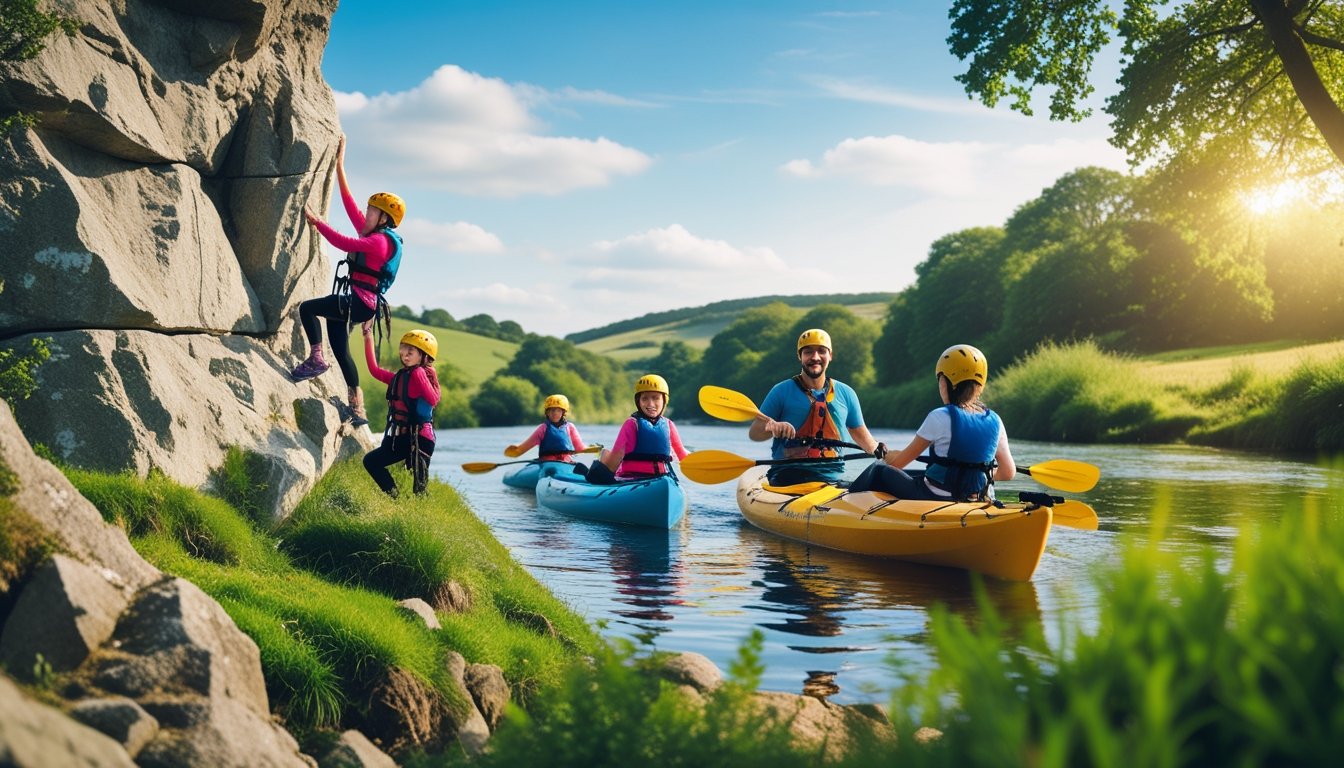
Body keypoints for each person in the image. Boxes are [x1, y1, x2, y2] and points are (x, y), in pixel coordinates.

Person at [292, 135, 406, 428]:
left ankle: (316, 359)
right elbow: (349, 203)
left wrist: (317, 223)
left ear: (383, 219)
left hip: (358, 303)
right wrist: (340, 164)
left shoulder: (379, 243)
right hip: (359, 304)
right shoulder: (373, 233)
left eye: (372, 211)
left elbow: (342, 240)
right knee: (341, 350)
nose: (366, 213)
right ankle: (358, 407)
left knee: (307, 308)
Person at [850, 344, 1015, 501]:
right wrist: (976, 473)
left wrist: (887, 456)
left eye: (940, 379)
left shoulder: (940, 416)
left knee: (879, 471)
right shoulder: (996, 421)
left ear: (947, 382)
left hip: (933, 496)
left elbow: (898, 464)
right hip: (979, 498)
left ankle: (846, 500)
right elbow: (1008, 472)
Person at [748, 328, 880, 485]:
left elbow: (860, 434)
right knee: (791, 477)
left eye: (821, 351)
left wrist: (880, 450)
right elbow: (754, 433)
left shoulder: (846, 393)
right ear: (800, 356)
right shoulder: (781, 391)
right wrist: (773, 427)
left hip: (833, 479)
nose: (815, 357)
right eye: (808, 352)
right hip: (788, 477)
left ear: (830, 356)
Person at [361, 325, 439, 497]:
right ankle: (395, 497)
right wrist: (368, 337)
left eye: (410, 352)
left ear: (423, 355)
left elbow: (433, 400)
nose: (404, 356)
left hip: (421, 437)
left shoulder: (421, 375)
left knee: (419, 486)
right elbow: (374, 370)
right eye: (403, 352)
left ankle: (420, 513)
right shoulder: (399, 377)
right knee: (371, 461)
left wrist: (419, 372)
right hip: (400, 437)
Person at [587, 374, 688, 484]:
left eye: (655, 398)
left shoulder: (669, 425)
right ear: (638, 402)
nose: (650, 404)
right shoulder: (632, 424)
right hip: (630, 479)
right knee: (605, 454)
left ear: (664, 400)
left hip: (662, 478)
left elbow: (683, 456)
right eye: (645, 398)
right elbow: (615, 459)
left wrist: (706, 464)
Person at [505, 394, 591, 473]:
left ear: (563, 412)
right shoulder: (542, 428)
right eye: (552, 410)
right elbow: (527, 445)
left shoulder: (570, 427)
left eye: (558, 410)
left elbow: (580, 448)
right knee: (553, 468)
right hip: (548, 462)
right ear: (547, 413)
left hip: (566, 461)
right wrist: (517, 449)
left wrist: (592, 449)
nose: (555, 413)